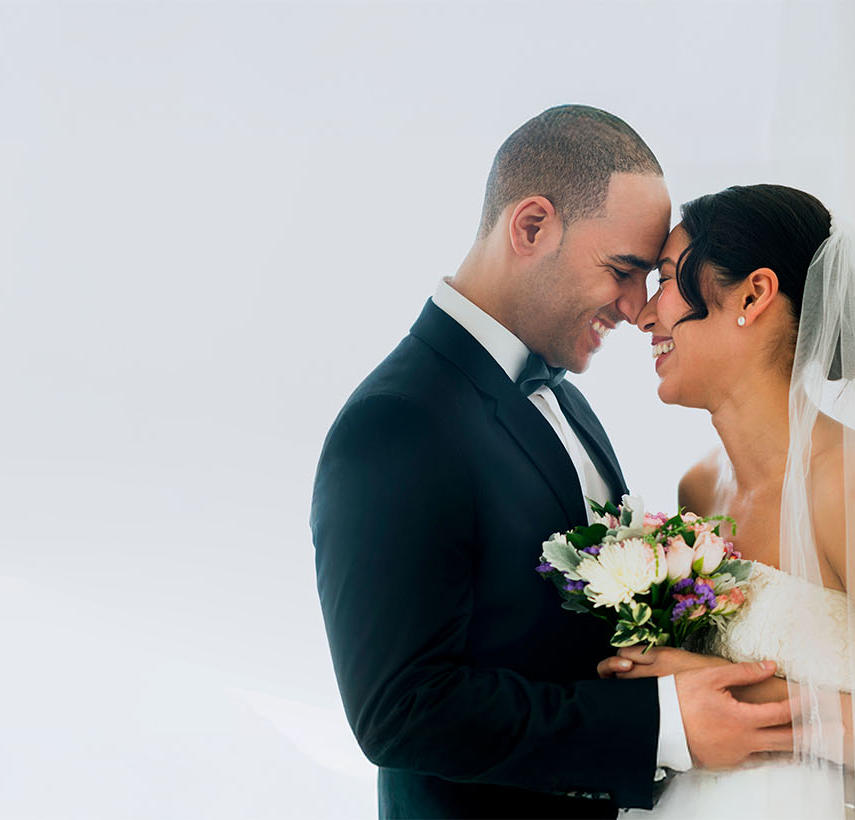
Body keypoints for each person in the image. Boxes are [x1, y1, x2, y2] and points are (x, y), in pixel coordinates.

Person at [310, 107, 795, 819]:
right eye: (624, 270)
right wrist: (663, 725)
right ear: (531, 227)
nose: (638, 309)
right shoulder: (396, 423)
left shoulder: (565, 403)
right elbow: (403, 710)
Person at [608, 185, 855, 818]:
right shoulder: (698, 490)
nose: (645, 315)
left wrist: (713, 688)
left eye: (668, 280)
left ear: (755, 294)